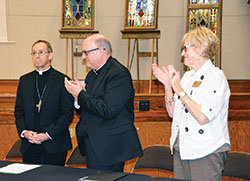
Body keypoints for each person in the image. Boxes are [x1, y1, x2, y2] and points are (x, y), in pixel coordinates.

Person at [152, 26, 230, 180]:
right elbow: (172, 113)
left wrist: (179, 90)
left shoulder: (215, 77)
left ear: (200, 49)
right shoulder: (187, 77)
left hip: (205, 150)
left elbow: (203, 117)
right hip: (183, 148)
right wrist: (168, 86)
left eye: (186, 49)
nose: (182, 54)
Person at [64, 34, 143, 172]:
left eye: (86, 53)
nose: (83, 57)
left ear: (101, 50)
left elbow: (108, 110)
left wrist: (80, 94)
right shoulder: (91, 75)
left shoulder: (118, 74)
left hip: (110, 146)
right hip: (93, 142)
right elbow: (88, 110)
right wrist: (77, 99)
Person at [14, 40, 74, 166]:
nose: (37, 56)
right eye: (34, 53)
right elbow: (19, 110)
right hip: (29, 145)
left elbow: (67, 114)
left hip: (54, 145)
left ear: (50, 55)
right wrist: (24, 131)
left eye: (41, 52)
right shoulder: (25, 80)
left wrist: (47, 134)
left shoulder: (62, 80)